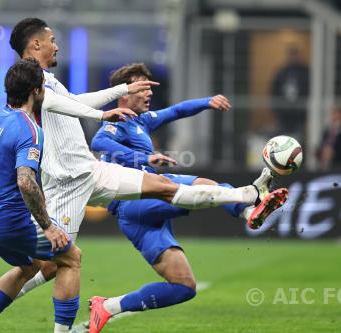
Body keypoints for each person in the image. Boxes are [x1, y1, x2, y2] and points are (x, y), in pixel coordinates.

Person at [0, 18, 289, 330]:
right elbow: (64, 106)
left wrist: (118, 92)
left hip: (89, 171)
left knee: (162, 186)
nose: (57, 46)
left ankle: (246, 195)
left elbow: (74, 100)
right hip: (66, 185)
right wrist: (103, 116)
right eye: (52, 41)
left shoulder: (42, 81)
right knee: (56, 264)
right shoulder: (31, 84)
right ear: (35, 44)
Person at [88, 62, 274, 332]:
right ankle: (246, 207)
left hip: (141, 214)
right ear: (124, 93)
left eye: (150, 87)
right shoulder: (118, 119)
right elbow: (99, 142)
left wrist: (207, 101)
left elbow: (176, 110)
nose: (149, 93)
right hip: (135, 201)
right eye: (143, 88)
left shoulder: (142, 120)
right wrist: (144, 157)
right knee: (203, 184)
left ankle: (108, 307)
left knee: (184, 287)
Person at [0, 58, 81, 333]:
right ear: (37, 90)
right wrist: (48, 227)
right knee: (71, 258)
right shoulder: (30, 130)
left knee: (30, 267)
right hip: (8, 220)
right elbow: (26, 182)